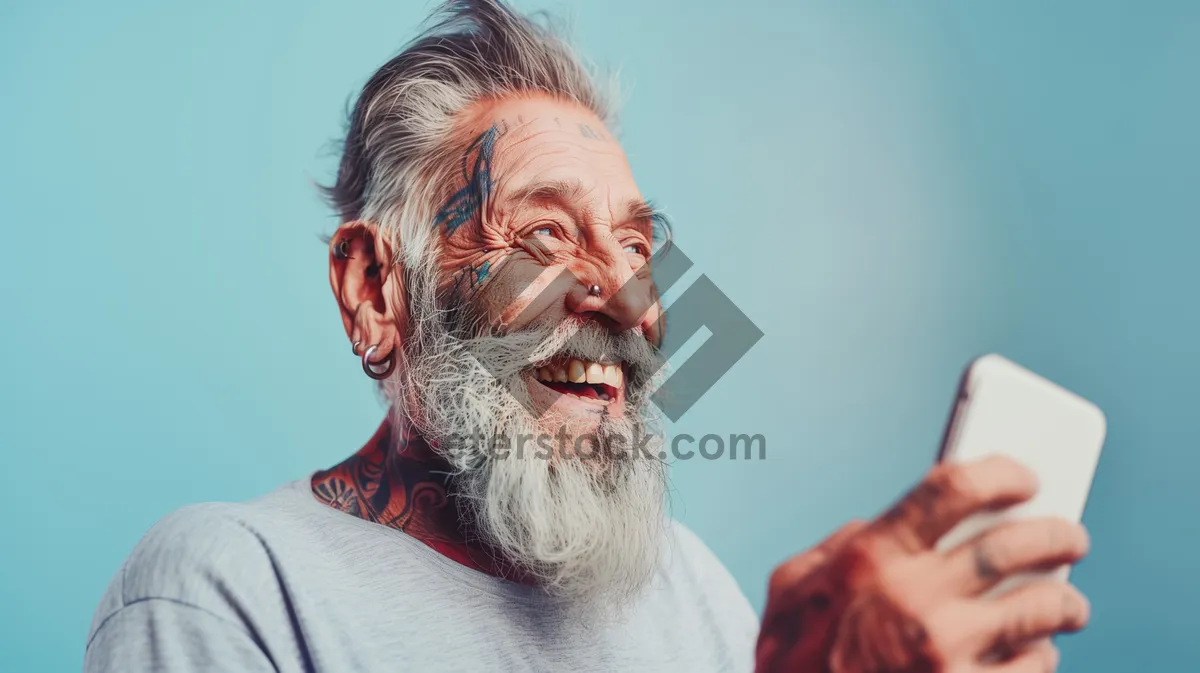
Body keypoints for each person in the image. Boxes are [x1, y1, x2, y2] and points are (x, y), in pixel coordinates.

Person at [84, 1, 1092, 671]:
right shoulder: (224, 591)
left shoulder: (686, 583)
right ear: (375, 288)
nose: (631, 303)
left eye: (638, 244)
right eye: (548, 235)